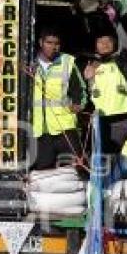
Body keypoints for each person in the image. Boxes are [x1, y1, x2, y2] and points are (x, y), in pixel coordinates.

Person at [31, 27, 87, 170]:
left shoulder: (67, 62)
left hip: (65, 127)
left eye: (57, 44)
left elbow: (79, 90)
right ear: (40, 43)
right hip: (39, 129)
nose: (53, 47)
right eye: (49, 43)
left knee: (74, 169)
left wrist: (78, 104)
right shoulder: (29, 63)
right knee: (43, 171)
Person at [83, 30, 127, 154]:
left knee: (116, 155)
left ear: (115, 43)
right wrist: (89, 79)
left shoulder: (120, 61)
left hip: (119, 118)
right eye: (100, 41)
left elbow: (125, 42)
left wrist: (116, 22)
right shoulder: (90, 64)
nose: (104, 44)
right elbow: (89, 93)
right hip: (99, 119)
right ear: (95, 45)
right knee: (101, 156)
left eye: (108, 41)